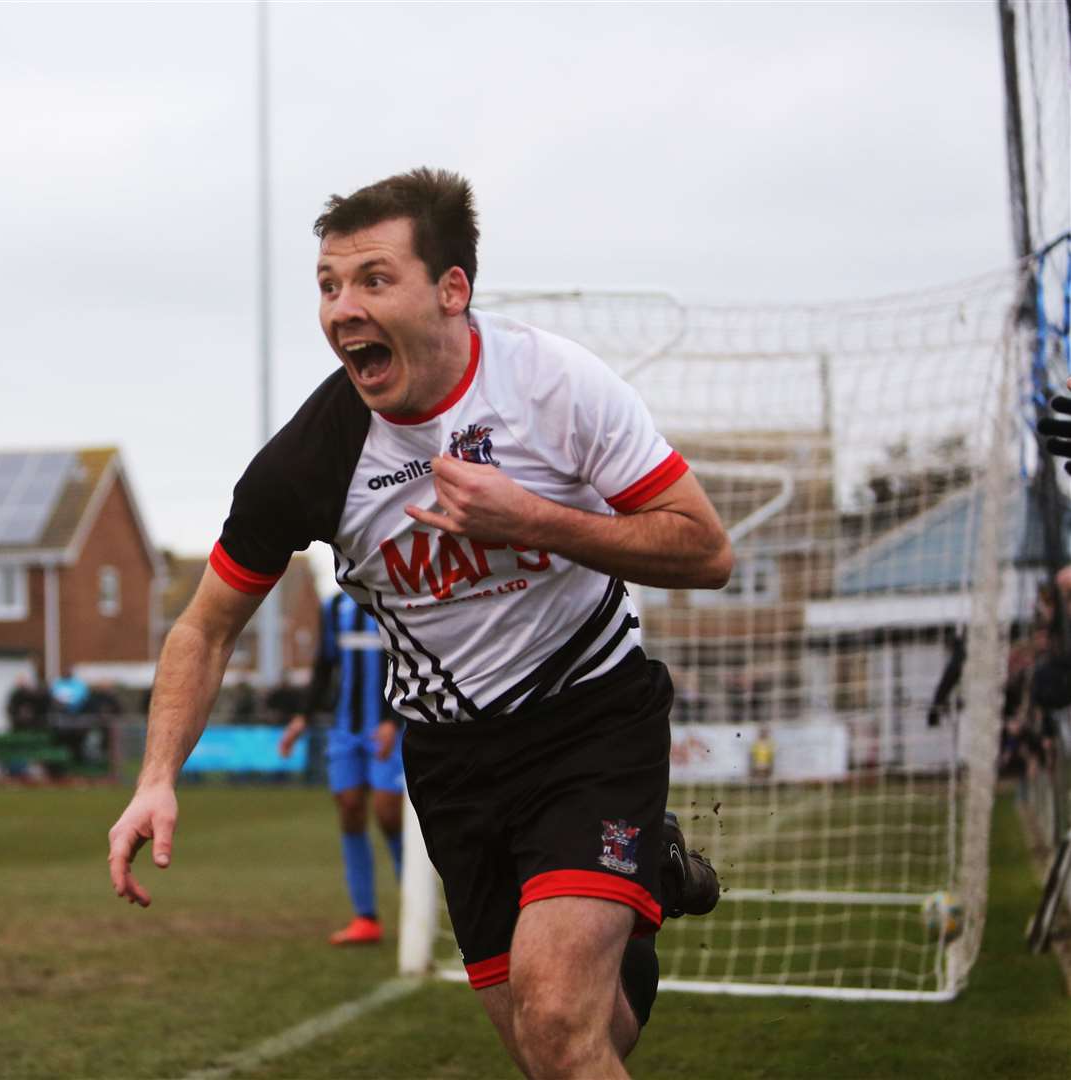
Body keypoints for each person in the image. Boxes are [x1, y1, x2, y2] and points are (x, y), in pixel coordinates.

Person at [107, 169, 730, 1078]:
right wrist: (157, 776)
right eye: (328, 285)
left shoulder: (554, 386)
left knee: (559, 1024)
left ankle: (619, 875)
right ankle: (647, 878)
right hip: (451, 761)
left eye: (372, 279)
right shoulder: (307, 464)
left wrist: (533, 520)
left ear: (452, 290)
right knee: (563, 1040)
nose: (343, 308)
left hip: (591, 719)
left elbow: (706, 551)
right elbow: (205, 628)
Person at [278, 590, 405, 945]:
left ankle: (416, 906)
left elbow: (413, 660)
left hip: (388, 728)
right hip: (345, 728)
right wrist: (303, 717)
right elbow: (323, 666)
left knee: (388, 812)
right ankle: (365, 917)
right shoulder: (334, 606)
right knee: (349, 808)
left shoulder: (394, 597)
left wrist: (393, 720)